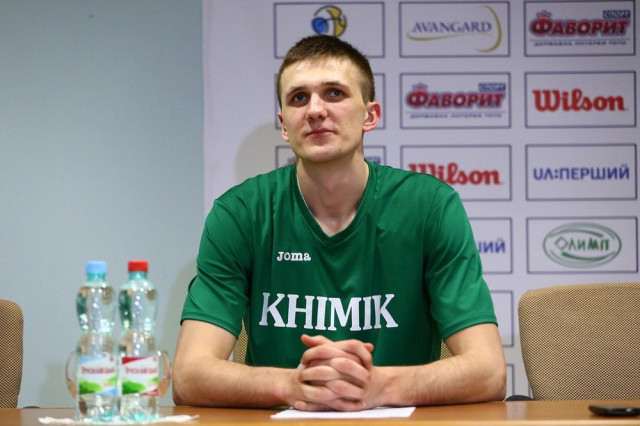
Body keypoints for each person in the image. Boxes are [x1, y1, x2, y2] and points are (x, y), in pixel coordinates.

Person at [173, 34, 506, 411]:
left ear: (370, 115)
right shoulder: (241, 213)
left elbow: (489, 370)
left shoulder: (430, 206)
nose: (315, 110)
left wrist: (379, 386)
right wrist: (292, 386)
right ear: (284, 125)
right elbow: (188, 375)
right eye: (299, 98)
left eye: (334, 93)